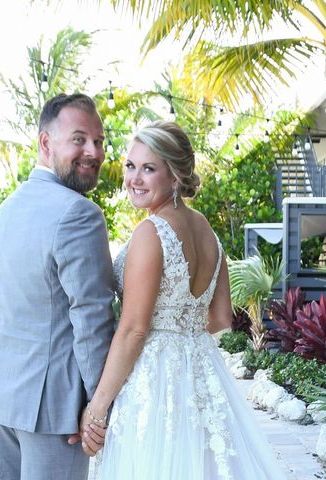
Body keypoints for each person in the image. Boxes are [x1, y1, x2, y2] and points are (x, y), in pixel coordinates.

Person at [84, 121, 286, 479]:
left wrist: (98, 408)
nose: (134, 179)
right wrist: (183, 332)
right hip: (202, 373)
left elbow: (133, 328)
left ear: (175, 176)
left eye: (149, 168)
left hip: (153, 377)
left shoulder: (151, 231)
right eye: (131, 166)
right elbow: (222, 317)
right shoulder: (207, 230)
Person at [0, 93, 115, 480]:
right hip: (53, 408)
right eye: (78, 139)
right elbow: (92, 318)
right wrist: (97, 404)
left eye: (99, 141)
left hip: (2, 398)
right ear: (45, 143)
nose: (93, 151)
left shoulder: (5, 210)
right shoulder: (79, 213)